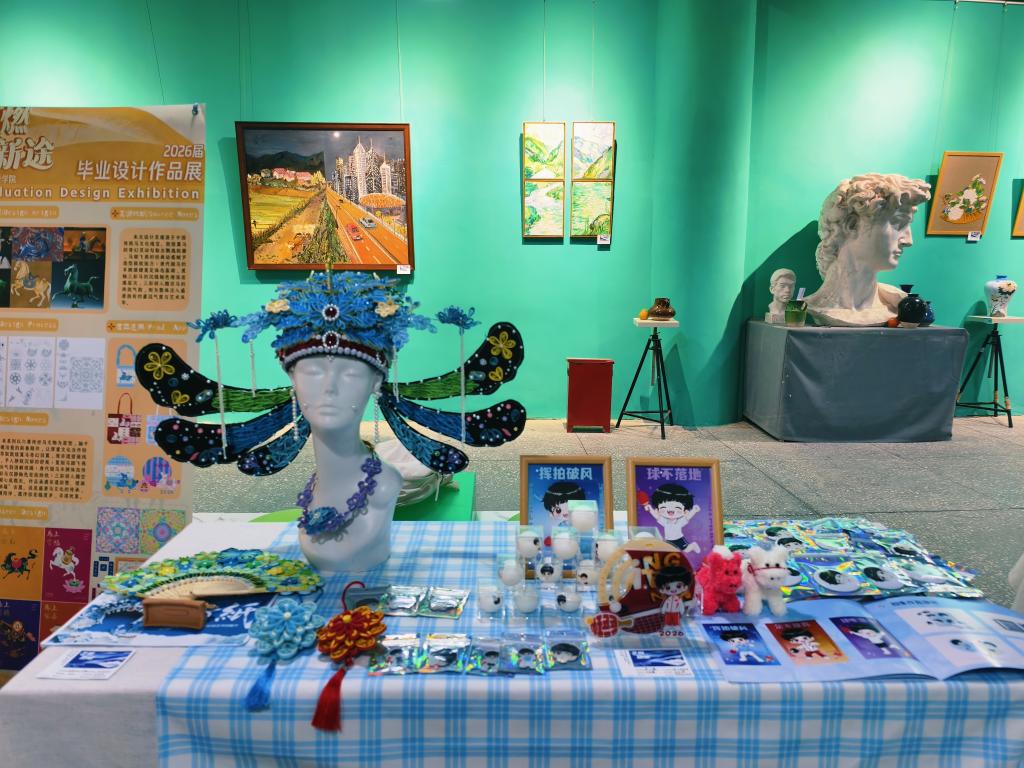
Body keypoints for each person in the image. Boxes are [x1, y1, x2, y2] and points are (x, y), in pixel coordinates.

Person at [805, 173, 931, 326]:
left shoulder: (896, 305)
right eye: (898, 222)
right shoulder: (811, 307)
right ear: (852, 225)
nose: (908, 241)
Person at [644, 484, 700, 553]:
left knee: (686, 550)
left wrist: (694, 510)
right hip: (668, 540)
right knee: (670, 553)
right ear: (658, 510)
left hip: (679, 539)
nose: (670, 510)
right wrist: (650, 509)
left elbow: (688, 517)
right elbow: (656, 516)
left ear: (685, 511)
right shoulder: (664, 521)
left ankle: (693, 545)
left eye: (677, 507)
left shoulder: (680, 521)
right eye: (664, 507)